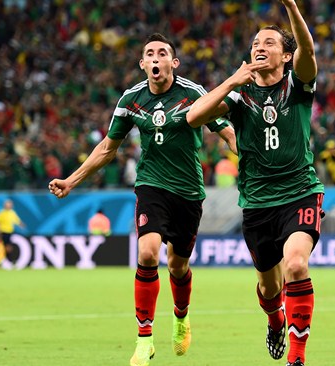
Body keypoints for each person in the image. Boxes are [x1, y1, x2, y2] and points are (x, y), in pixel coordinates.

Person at [48, 33, 237, 366]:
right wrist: (72, 181)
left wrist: (250, 163)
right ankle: (144, 339)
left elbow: (226, 131)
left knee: (178, 266)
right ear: (142, 63)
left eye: (162, 53)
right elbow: (108, 148)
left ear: (173, 63)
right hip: (151, 186)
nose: (155, 58)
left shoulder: (194, 94)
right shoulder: (131, 99)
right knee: (148, 253)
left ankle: (181, 317)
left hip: (189, 192)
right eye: (149, 53)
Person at [187, 2, 324, 365]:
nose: (259, 48)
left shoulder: (298, 84)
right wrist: (233, 80)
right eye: (255, 45)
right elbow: (193, 117)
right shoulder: (238, 95)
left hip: (299, 193)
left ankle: (297, 356)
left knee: (296, 265)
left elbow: (309, 51)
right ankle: (275, 319)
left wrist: (290, 5)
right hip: (257, 202)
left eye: (269, 43)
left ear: (286, 55)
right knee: (268, 286)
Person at [0, 199, 25, 265]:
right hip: (3, 232)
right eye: (7, 205)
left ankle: (7, 260)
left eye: (10, 205)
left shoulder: (12, 213)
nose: (8, 206)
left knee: (8, 246)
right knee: (4, 246)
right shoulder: (1, 213)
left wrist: (21, 224)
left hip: (9, 232)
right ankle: (6, 260)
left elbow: (17, 220)